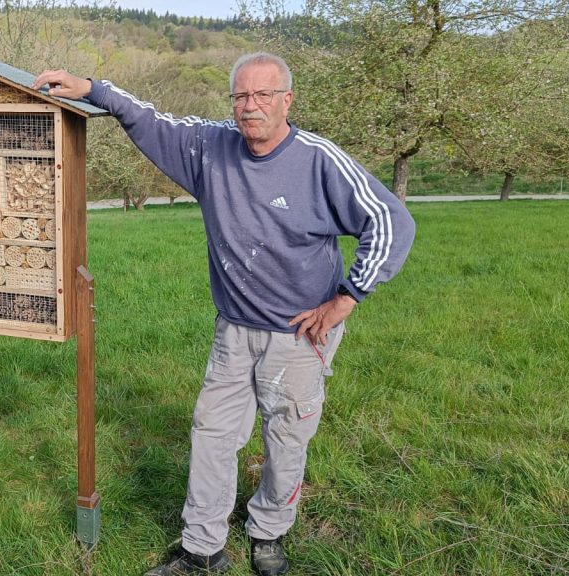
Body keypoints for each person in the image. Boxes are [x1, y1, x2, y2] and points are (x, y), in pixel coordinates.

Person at [34, 52, 415, 576]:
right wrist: (93, 88)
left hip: (299, 335)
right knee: (212, 434)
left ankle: (268, 534)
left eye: (262, 96)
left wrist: (346, 298)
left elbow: (390, 221)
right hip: (234, 329)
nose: (250, 107)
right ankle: (202, 548)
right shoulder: (210, 148)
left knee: (286, 439)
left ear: (287, 101)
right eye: (240, 96)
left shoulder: (319, 160)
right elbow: (150, 120)